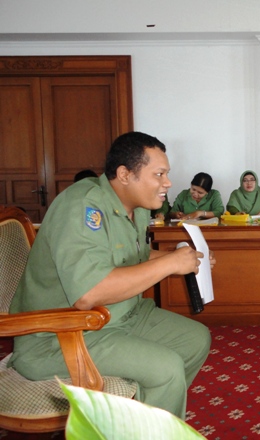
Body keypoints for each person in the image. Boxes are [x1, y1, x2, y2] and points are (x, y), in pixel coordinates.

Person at [9, 131, 212, 420]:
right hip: (62, 334)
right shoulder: (81, 207)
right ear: (125, 174)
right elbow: (89, 294)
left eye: (167, 174)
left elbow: (134, 258)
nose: (167, 182)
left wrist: (185, 260)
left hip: (119, 316)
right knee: (165, 368)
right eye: (159, 174)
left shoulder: (135, 208)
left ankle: (142, 420)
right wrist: (170, 264)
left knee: (195, 339)